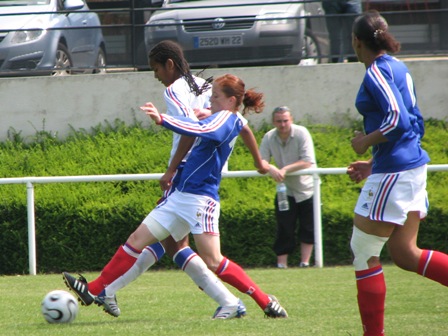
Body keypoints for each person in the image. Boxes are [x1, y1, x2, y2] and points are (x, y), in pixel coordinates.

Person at [64, 73, 288, 319]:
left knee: (213, 260)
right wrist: (260, 164)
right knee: (137, 239)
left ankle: (264, 301)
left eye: (215, 96)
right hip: (180, 196)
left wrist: (163, 119)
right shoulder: (228, 118)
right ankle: (93, 289)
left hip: (201, 200)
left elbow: (198, 128)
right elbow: (242, 129)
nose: (210, 100)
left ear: (232, 100)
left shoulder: (225, 119)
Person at [347, 10, 448, 335]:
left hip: (396, 171)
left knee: (363, 252)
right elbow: (414, 123)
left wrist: (364, 143)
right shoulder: (399, 67)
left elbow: (397, 121)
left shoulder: (376, 71)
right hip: (408, 167)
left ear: (356, 42)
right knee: (405, 254)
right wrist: (374, 164)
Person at [259, 106, 318, 269]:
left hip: (307, 188)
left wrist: (284, 169)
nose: (282, 124)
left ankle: (305, 263)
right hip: (284, 190)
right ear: (273, 122)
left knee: (308, 226)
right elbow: (261, 161)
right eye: (279, 121)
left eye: (285, 120)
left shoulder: (302, 133)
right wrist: (271, 168)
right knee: (284, 226)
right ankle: (281, 264)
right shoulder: (269, 136)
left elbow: (307, 161)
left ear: (291, 120)